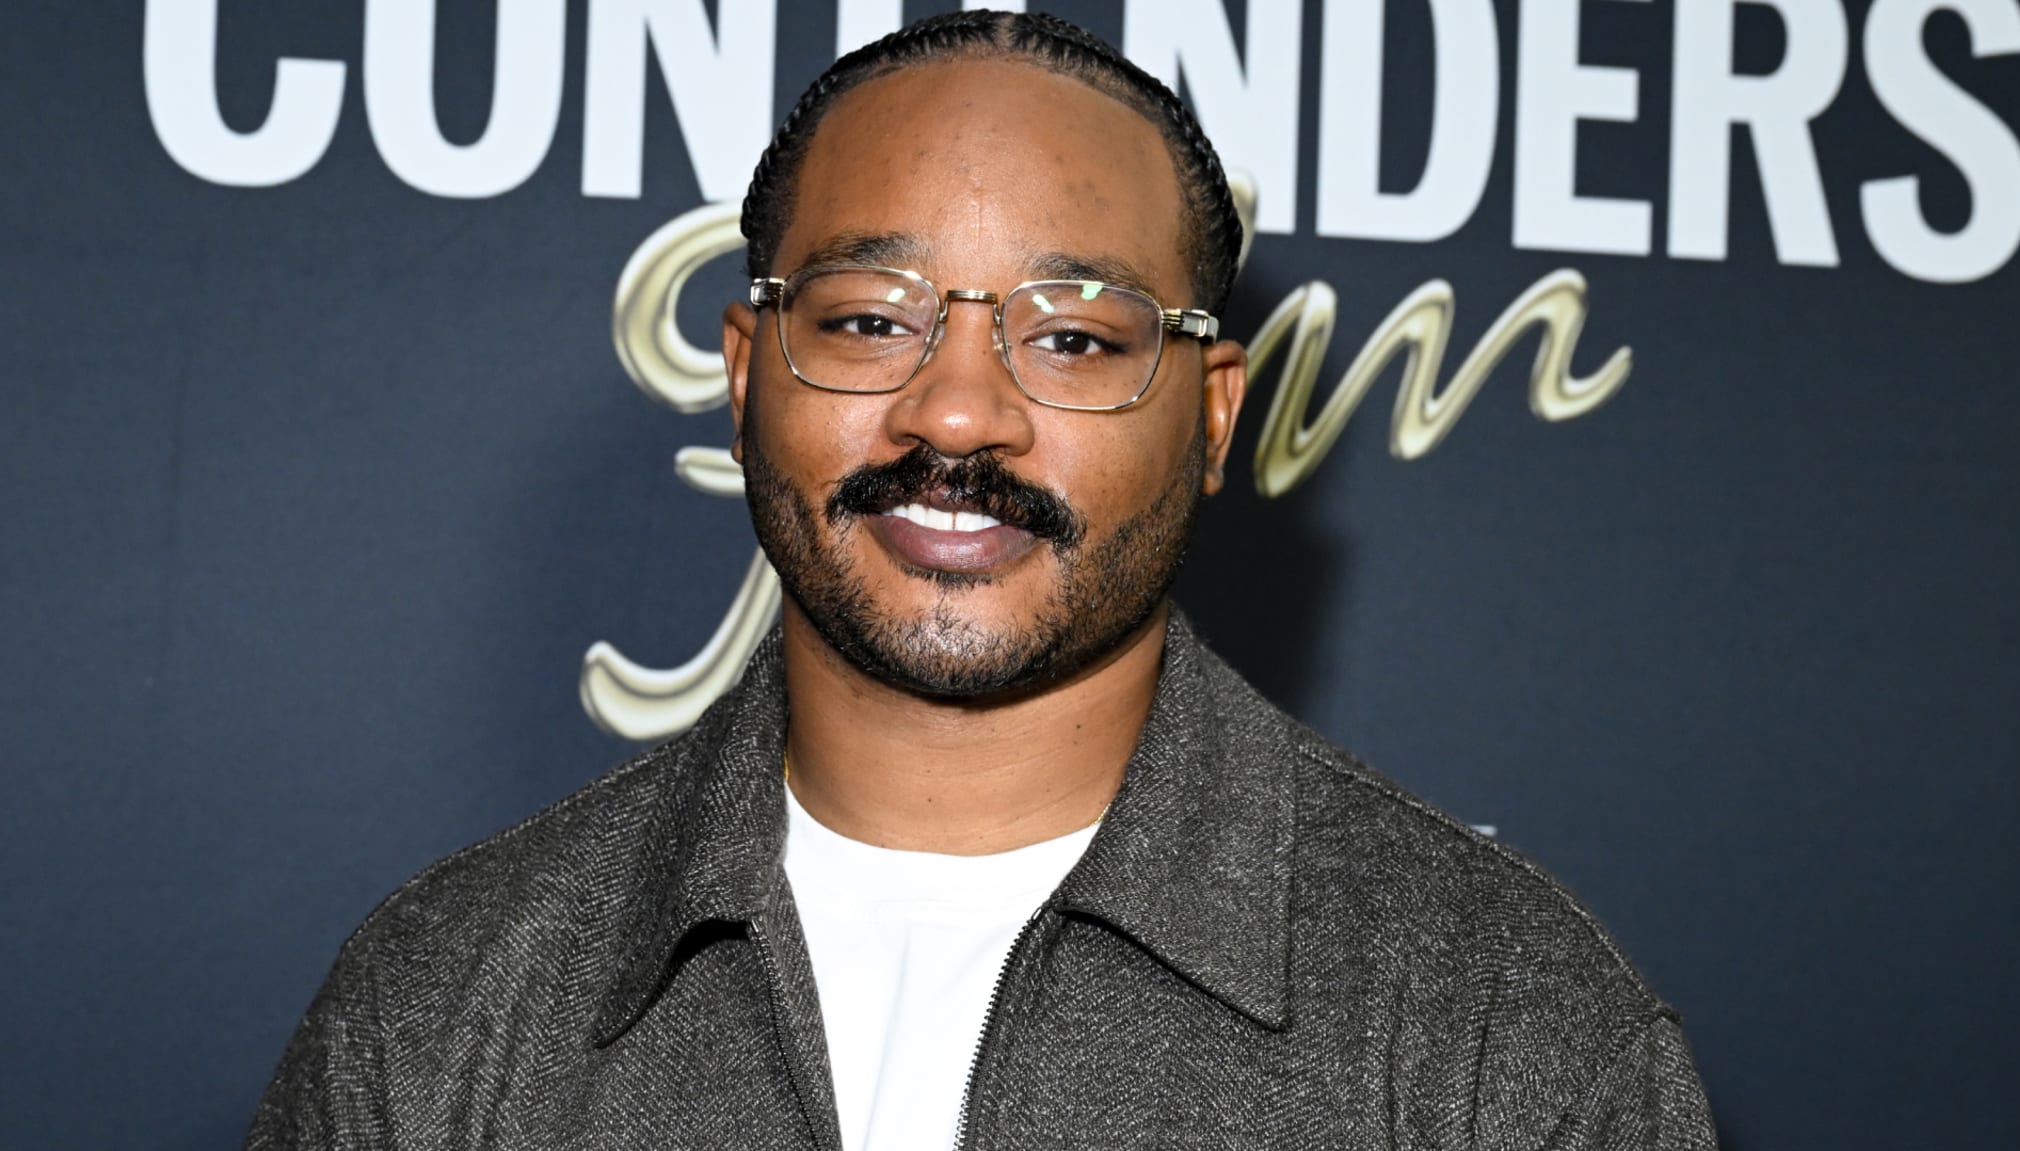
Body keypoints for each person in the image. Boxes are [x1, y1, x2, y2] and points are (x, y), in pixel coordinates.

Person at [246, 12, 1717, 1149]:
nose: (957, 416)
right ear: (746, 372)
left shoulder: (1506, 1031)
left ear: (1211, 415)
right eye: (873, 318)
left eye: (1073, 336)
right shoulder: (438, 1009)